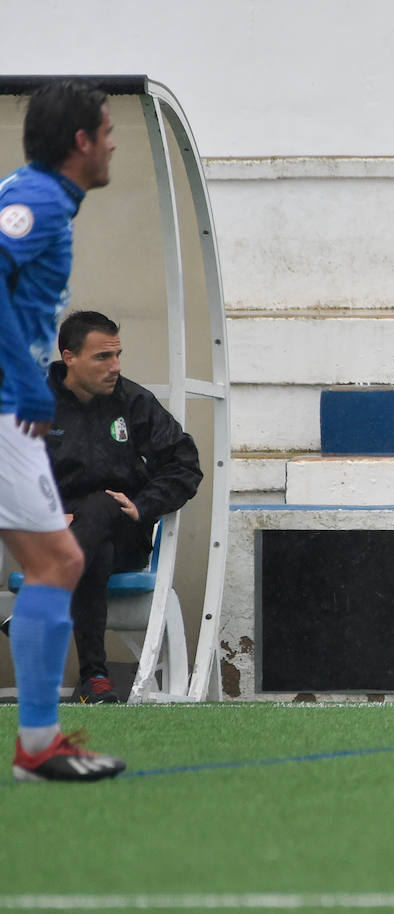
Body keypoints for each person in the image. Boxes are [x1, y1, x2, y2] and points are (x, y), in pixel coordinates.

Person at [0, 78, 126, 779]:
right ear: (81, 142)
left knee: (57, 562)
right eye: (107, 132)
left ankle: (39, 743)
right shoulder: (40, 200)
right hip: (3, 409)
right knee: (59, 563)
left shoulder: (34, 193)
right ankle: (40, 746)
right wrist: (21, 381)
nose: (112, 143)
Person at [19, 310, 199, 704]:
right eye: (103, 357)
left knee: (101, 507)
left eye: (118, 355)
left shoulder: (134, 402)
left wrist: (143, 503)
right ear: (69, 357)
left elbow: (185, 465)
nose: (115, 366)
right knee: (91, 545)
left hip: (125, 533)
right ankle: (95, 680)